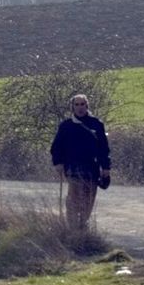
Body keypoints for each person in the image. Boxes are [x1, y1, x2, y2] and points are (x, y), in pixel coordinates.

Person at [50, 94, 111, 229]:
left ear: (87, 106)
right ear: (72, 107)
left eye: (82, 104)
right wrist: (58, 163)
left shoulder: (97, 124)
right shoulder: (66, 126)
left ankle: (82, 225)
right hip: (73, 168)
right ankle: (72, 227)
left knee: (88, 200)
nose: (80, 108)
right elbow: (56, 147)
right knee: (73, 199)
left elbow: (103, 148)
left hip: (92, 168)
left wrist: (105, 167)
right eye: (76, 105)